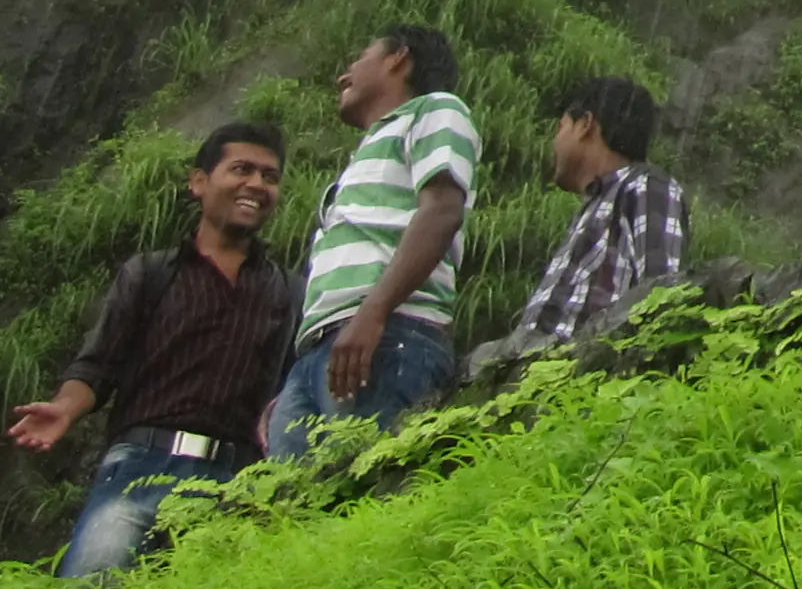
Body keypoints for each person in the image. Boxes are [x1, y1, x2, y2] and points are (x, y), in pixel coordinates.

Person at [7, 121, 297, 577]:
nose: (256, 185)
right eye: (241, 169)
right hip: (139, 466)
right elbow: (99, 365)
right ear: (199, 182)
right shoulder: (150, 274)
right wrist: (65, 408)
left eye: (270, 176)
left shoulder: (288, 291)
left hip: (237, 479)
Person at [264, 24, 478, 462]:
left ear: (398, 57)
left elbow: (442, 210)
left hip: (388, 337)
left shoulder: (435, 110)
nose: (344, 76)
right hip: (324, 351)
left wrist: (373, 313)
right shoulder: (362, 158)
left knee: (362, 499)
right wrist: (302, 374)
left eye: (359, 57)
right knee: (286, 518)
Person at [515, 75, 688, 342]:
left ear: (585, 124)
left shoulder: (646, 187)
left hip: (582, 378)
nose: (555, 143)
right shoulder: (600, 205)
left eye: (561, 128)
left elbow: (661, 301)